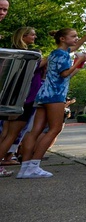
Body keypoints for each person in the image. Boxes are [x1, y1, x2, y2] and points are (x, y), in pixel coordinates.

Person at [15, 22, 86, 179]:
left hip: (43, 94)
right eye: (73, 36)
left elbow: (76, 47)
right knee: (55, 129)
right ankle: (34, 164)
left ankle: (25, 167)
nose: (76, 39)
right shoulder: (64, 55)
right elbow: (64, 74)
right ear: (63, 39)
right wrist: (78, 62)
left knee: (34, 131)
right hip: (55, 95)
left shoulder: (54, 53)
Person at [0, 27, 46, 177]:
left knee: (5, 134)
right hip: (25, 98)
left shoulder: (14, 53)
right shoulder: (28, 56)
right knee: (12, 135)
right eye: (32, 34)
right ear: (24, 36)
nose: (35, 36)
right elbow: (33, 69)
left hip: (13, 97)